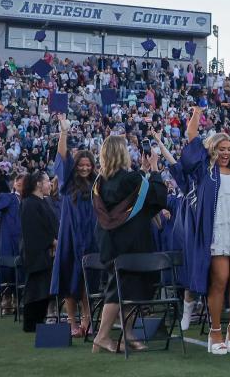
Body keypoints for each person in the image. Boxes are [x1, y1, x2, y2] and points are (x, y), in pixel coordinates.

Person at [180, 103, 230, 355]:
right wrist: (197, 115)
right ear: (212, 149)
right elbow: (191, 138)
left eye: (228, 148)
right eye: (221, 148)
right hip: (217, 231)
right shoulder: (204, 169)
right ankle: (215, 331)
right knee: (220, 280)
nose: (225, 152)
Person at [90, 136, 168, 353]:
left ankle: (127, 334)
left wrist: (142, 174)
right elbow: (156, 198)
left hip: (109, 241)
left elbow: (137, 197)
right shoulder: (131, 179)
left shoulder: (99, 182)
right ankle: (102, 336)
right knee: (123, 288)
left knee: (127, 286)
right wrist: (153, 170)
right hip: (132, 242)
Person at [49, 115, 98, 338]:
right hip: (70, 236)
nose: (85, 168)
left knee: (88, 283)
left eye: (88, 165)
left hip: (91, 238)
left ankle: (87, 320)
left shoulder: (97, 184)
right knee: (70, 282)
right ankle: (71, 322)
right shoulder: (68, 184)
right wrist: (64, 132)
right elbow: (62, 156)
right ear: (76, 166)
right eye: (81, 164)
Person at [19, 171, 57, 332]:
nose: (50, 184)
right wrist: (52, 241)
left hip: (46, 253)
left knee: (43, 289)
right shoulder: (29, 203)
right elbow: (34, 230)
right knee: (35, 289)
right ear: (38, 184)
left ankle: (38, 321)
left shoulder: (44, 202)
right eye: (48, 181)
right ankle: (31, 323)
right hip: (36, 254)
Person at [0, 173, 23, 315]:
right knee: (6, 270)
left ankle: (19, 301)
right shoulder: (8, 197)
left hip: (22, 242)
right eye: (18, 180)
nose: (20, 182)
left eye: (24, 181)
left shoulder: (30, 199)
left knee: (21, 271)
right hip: (7, 240)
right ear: (14, 184)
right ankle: (6, 300)